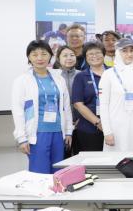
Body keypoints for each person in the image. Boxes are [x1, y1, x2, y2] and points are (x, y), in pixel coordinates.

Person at [12, 40, 73, 173]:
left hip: (58, 132)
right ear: (29, 57)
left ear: (50, 56)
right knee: (39, 173)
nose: (39, 58)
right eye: (34, 55)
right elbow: (18, 111)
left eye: (44, 54)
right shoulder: (22, 81)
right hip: (37, 134)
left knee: (57, 172)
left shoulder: (59, 79)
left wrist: (68, 130)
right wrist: (21, 138)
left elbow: (65, 107)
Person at [71, 42, 107, 154]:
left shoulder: (113, 73)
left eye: (97, 52)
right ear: (86, 57)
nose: (94, 56)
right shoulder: (81, 76)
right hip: (89, 128)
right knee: (94, 162)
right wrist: (98, 123)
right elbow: (78, 104)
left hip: (115, 125)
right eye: (90, 54)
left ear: (104, 54)